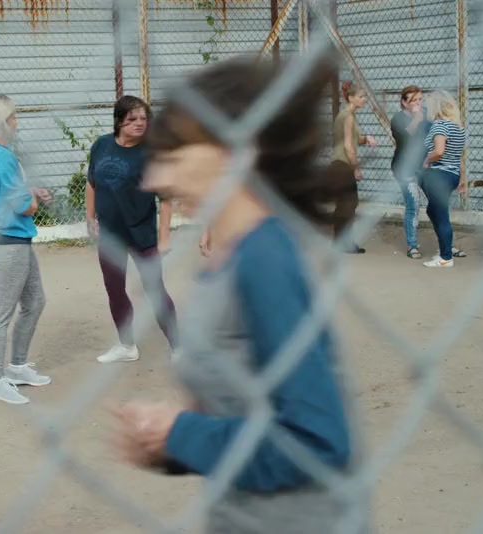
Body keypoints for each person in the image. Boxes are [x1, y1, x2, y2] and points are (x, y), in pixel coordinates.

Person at [111, 56, 368, 533]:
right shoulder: (226, 260)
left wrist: (177, 432)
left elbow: (318, 443)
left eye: (175, 156)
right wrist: (169, 445)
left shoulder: (265, 259)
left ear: (236, 151)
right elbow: (240, 418)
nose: (154, 180)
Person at [85, 95, 178, 364]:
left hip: (141, 234)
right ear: (119, 121)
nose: (140, 123)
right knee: (114, 290)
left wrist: (164, 237)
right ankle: (127, 346)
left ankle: (178, 347)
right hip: (110, 235)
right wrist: (89, 217)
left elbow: (166, 197)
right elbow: (92, 183)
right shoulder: (102, 145)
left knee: (154, 289)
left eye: (144, 119)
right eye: (132, 119)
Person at [0, 94, 53, 405]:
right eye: (12, 118)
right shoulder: (1, 157)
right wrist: (31, 199)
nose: (17, 123)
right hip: (9, 244)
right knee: (1, 315)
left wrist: (30, 191)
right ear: (0, 123)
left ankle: (18, 366)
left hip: (15, 241)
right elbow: (25, 207)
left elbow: (8, 194)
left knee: (35, 302)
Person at [328, 81, 378, 254]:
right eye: (361, 96)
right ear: (351, 98)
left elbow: (354, 139)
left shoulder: (346, 115)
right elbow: (348, 146)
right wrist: (356, 168)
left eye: (365, 96)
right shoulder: (348, 117)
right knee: (349, 204)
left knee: (344, 204)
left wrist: (366, 138)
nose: (364, 99)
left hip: (338, 165)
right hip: (343, 165)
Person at [419, 92, 468, 268]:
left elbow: (439, 151)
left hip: (438, 175)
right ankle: (445, 250)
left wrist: (426, 161)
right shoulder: (457, 127)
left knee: (441, 215)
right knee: (433, 211)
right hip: (452, 174)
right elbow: (459, 156)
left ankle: (446, 257)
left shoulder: (439, 125)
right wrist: (462, 178)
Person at [390, 85, 431, 259]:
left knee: (437, 202)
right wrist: (417, 119)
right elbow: (406, 140)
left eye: (420, 99)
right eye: (414, 100)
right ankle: (412, 245)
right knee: (413, 205)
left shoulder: (427, 114)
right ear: (404, 102)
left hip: (424, 165)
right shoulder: (398, 119)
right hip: (404, 168)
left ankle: (446, 244)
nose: (419, 103)